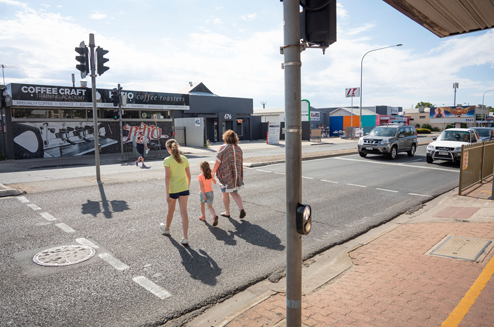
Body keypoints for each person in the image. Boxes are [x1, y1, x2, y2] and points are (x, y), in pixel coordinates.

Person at [160, 139, 191, 245]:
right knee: (184, 212)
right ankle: (185, 237)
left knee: (171, 211)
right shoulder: (184, 159)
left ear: (168, 149)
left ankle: (167, 228)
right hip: (184, 189)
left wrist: (167, 193)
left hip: (173, 190)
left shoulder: (167, 160)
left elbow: (167, 177)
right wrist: (187, 186)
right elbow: (189, 176)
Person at [212, 130, 245, 226]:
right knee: (234, 192)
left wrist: (213, 172)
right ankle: (241, 208)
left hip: (225, 175)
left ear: (225, 137)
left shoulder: (222, 148)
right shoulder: (238, 148)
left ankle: (227, 212)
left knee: (225, 193)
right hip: (236, 175)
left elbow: (217, 161)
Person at [197, 161, 219, 226]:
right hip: (210, 192)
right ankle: (214, 216)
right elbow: (214, 182)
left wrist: (203, 195)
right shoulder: (210, 175)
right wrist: (213, 177)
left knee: (202, 204)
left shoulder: (200, 176)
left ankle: (203, 217)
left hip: (203, 193)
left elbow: (201, 186)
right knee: (210, 207)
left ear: (201, 169)